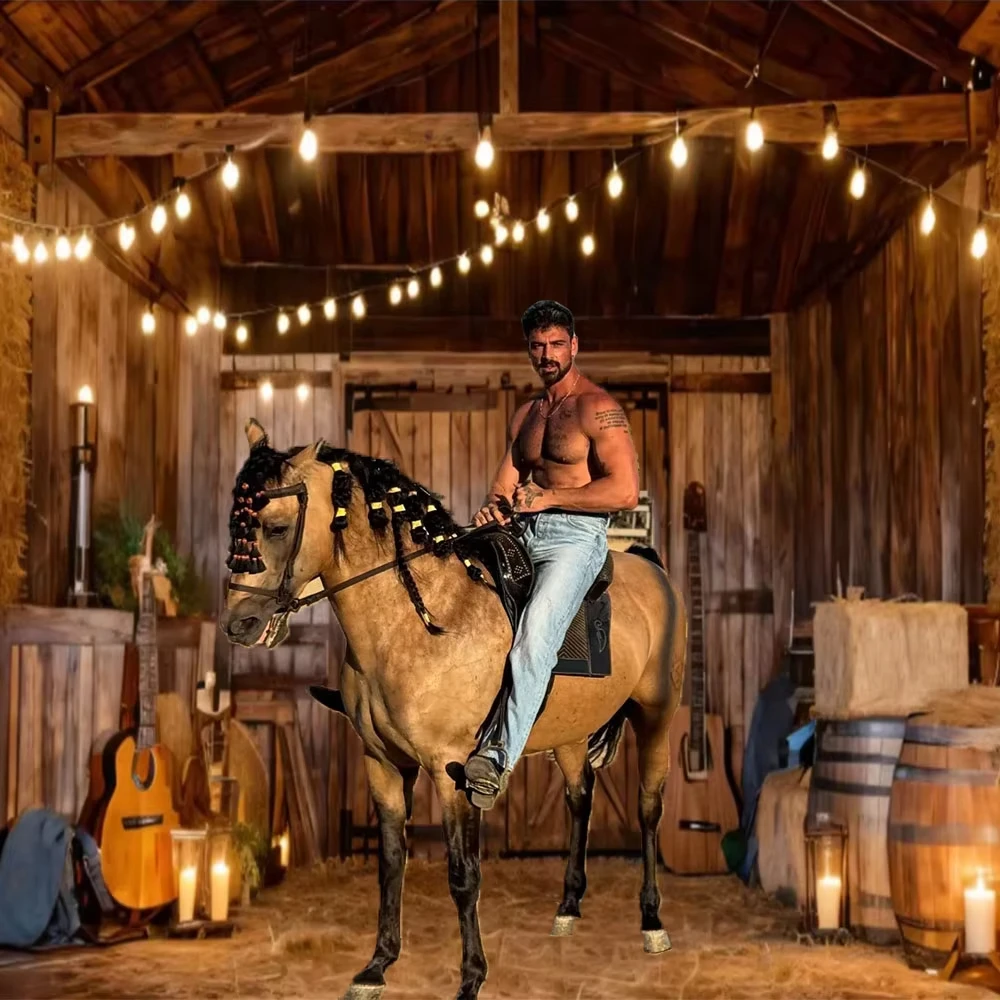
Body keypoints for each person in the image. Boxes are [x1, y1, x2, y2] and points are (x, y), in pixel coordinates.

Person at [463, 300, 640, 809]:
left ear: (574, 345)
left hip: (576, 538)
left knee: (535, 635)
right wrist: (492, 509)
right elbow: (506, 483)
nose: (547, 354)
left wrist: (553, 498)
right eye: (538, 346)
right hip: (523, 530)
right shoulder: (528, 415)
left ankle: (496, 759)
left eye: (556, 344)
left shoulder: (597, 408)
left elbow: (625, 492)